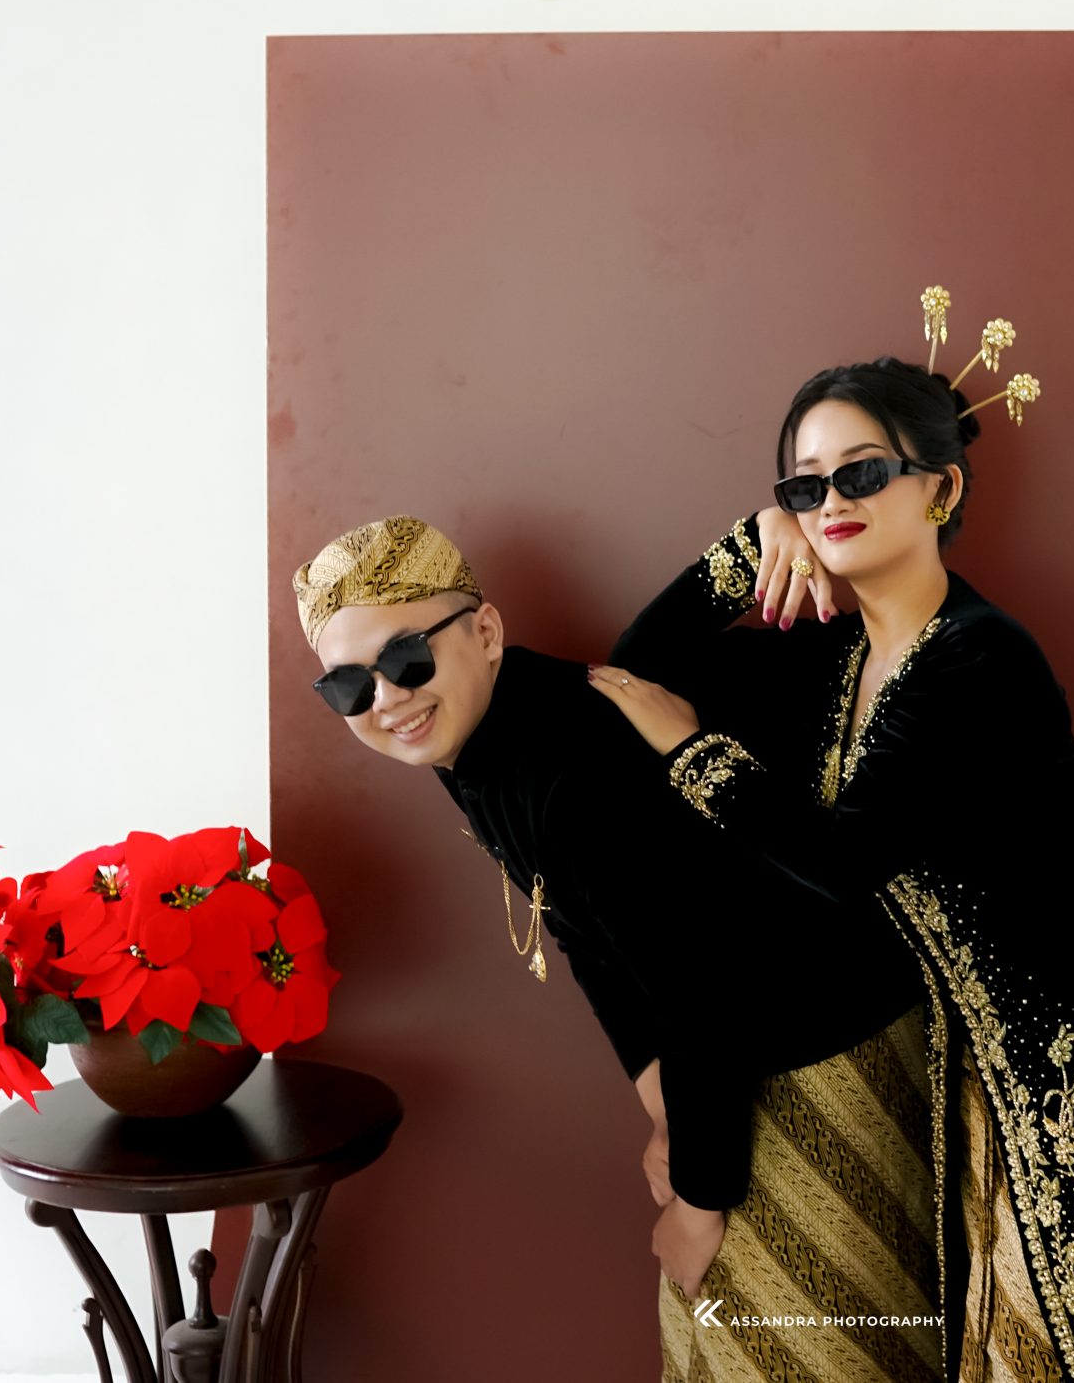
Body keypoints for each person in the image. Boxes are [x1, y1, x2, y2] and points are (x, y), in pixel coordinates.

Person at [592, 342, 1074, 1383]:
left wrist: (692, 749)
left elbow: (841, 860)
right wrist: (747, 545)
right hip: (980, 1060)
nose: (832, 502)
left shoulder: (978, 657)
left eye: (861, 473)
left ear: (940, 488)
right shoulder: (840, 654)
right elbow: (633, 670)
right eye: (805, 486)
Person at [292, 516, 945, 1382]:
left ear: (484, 633)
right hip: (729, 1064)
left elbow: (700, 994)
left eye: (408, 659)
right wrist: (659, 1105)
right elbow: (585, 939)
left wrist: (699, 1206)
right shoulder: (478, 746)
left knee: (813, 1351)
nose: (386, 700)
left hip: (820, 1043)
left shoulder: (572, 769)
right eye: (348, 686)